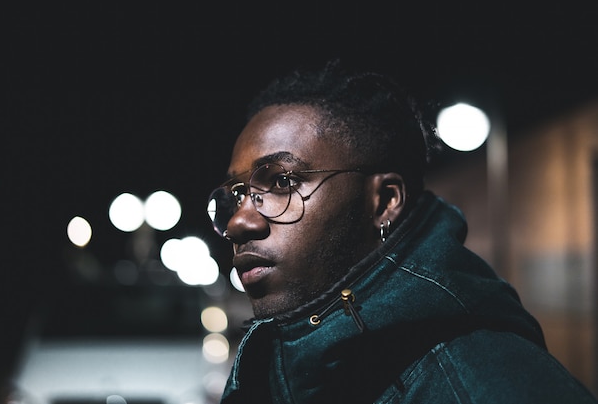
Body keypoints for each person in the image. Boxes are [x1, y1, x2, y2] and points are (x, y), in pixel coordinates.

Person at [206, 60, 598, 404]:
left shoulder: (488, 386)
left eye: (282, 182)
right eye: (237, 194)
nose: (240, 221)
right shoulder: (293, 365)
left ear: (384, 201)